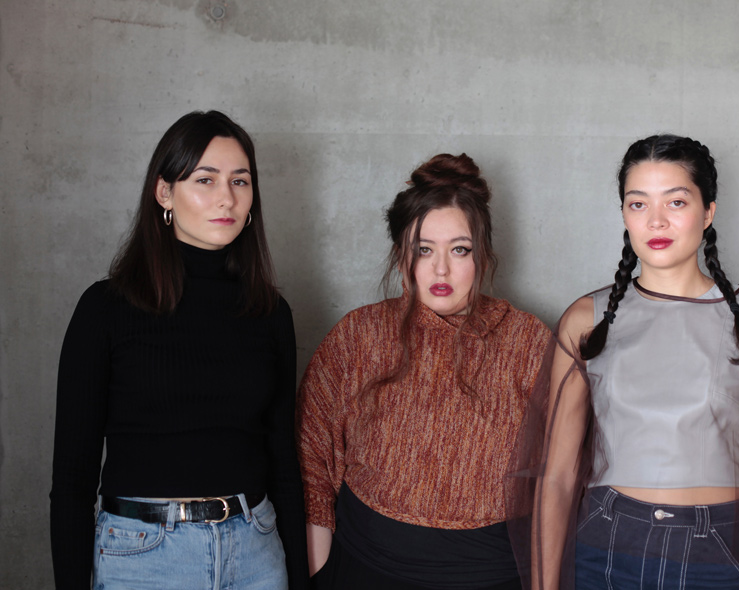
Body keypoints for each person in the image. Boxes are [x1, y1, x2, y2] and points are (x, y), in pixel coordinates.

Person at [506, 135, 739, 589]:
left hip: (714, 552)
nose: (656, 220)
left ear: (708, 211)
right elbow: (555, 477)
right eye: (638, 204)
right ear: (623, 214)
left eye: (676, 201)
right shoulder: (587, 319)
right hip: (602, 547)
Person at [50, 110, 308, 589]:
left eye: (240, 181)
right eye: (204, 179)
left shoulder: (271, 313)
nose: (226, 198)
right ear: (164, 192)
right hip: (143, 558)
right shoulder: (105, 309)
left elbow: (283, 465)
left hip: (256, 550)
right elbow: (71, 477)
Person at [296, 153, 551, 589]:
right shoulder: (358, 336)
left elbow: (564, 475)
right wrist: (321, 573)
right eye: (424, 250)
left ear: (483, 255)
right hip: (364, 568)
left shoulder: (528, 341)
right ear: (401, 257)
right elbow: (313, 463)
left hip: (492, 575)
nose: (441, 269)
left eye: (460, 250)